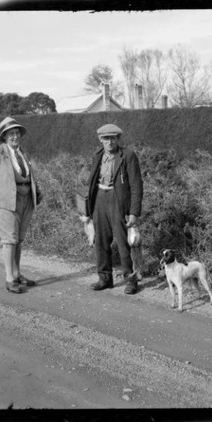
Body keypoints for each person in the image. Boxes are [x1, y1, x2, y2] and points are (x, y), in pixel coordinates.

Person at [0, 117, 41, 294]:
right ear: (4, 137)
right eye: (11, 134)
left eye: (17, 133)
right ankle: (10, 278)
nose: (15, 136)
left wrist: (37, 190)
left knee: (19, 238)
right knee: (9, 239)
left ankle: (17, 274)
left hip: (26, 200)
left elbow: (28, 175)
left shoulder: (21, 153)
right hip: (6, 201)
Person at [81, 123, 143, 294]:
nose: (110, 142)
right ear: (100, 140)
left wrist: (133, 212)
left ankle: (131, 280)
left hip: (119, 202)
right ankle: (105, 278)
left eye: (113, 138)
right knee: (100, 241)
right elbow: (92, 182)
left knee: (124, 242)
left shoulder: (128, 156)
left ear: (118, 139)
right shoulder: (97, 155)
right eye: (106, 138)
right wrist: (87, 209)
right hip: (100, 199)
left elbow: (137, 186)